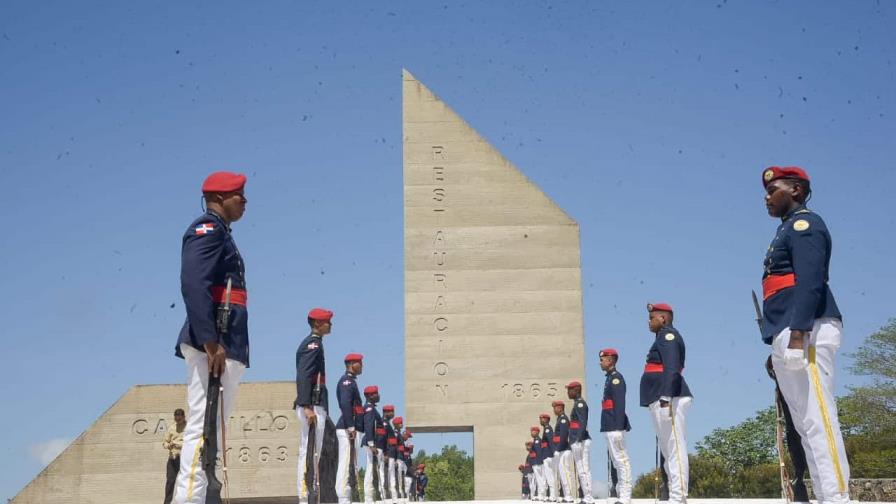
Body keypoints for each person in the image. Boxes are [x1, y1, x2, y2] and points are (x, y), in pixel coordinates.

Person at [761, 166, 849, 504]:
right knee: (805, 426)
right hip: (788, 331)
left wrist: (797, 334)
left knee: (819, 418)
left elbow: (810, 281)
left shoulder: (805, 224)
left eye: (773, 191)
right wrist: (777, 345)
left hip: (808, 329)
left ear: (796, 190)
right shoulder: (785, 230)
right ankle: (826, 496)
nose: (767, 198)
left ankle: (838, 497)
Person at [173, 171, 249, 504]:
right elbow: (193, 284)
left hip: (225, 342)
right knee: (202, 429)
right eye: (239, 195)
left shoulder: (222, 234)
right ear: (218, 198)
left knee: (212, 432)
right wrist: (209, 340)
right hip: (214, 344)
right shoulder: (206, 230)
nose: (244, 201)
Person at [640, 303, 691, 504]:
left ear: (663, 318)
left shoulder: (668, 336)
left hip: (670, 397)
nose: (649, 322)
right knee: (667, 449)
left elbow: (672, 367)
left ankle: (678, 496)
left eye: (652, 318)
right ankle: (674, 493)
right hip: (660, 397)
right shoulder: (661, 338)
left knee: (674, 446)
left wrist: (666, 396)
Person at [295, 308, 334, 503]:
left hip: (315, 402)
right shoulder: (313, 344)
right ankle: (305, 495)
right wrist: (306, 405)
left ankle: (311, 494)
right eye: (328, 321)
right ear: (318, 324)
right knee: (308, 451)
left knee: (313, 452)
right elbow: (304, 374)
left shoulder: (317, 343)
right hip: (311, 404)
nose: (331, 325)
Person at [597, 350, 632, 504]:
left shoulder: (616, 379)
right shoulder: (609, 378)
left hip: (614, 426)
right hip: (609, 425)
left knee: (621, 460)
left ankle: (625, 496)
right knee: (616, 460)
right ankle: (620, 494)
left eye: (602, 359)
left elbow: (619, 404)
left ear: (610, 360)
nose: (600, 362)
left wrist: (618, 427)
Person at [336, 353, 365, 504]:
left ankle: (346, 497)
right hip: (348, 428)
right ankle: (343, 498)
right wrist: (351, 426)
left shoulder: (351, 381)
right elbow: (345, 404)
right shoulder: (346, 381)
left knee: (351, 464)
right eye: (360, 362)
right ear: (352, 363)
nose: (362, 365)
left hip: (352, 428)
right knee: (346, 463)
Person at [566, 381, 594, 504]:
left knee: (584, 469)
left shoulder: (580, 404)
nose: (568, 392)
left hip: (580, 440)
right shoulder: (577, 404)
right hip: (577, 440)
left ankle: (588, 497)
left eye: (570, 389)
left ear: (577, 390)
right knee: (581, 469)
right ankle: (587, 496)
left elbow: (583, 422)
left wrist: (578, 439)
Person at [362, 386, 385, 503]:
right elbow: (369, 426)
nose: (378, 395)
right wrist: (371, 444)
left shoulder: (371, 408)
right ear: (370, 396)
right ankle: (368, 497)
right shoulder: (369, 409)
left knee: (371, 468)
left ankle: (369, 496)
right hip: (370, 442)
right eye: (376, 393)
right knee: (370, 469)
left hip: (372, 442)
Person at [551, 401, 574, 503]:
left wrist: (558, 448)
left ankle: (569, 496)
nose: (554, 410)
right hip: (561, 450)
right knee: (563, 473)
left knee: (566, 472)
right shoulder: (559, 419)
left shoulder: (564, 419)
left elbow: (564, 436)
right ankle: (566, 495)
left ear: (560, 408)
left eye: (555, 407)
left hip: (564, 450)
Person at [162, 408, 186, 504]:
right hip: (173, 458)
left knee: (185, 481)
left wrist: (179, 445)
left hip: (184, 458)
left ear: (184, 417)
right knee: (170, 481)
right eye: (176, 419)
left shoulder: (189, 428)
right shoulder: (172, 428)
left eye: (179, 419)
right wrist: (168, 445)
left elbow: (191, 443)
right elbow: (164, 442)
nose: (178, 421)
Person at [539, 414, 558, 502]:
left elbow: (550, 441)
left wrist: (554, 451)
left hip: (548, 455)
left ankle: (553, 496)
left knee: (550, 476)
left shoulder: (547, 429)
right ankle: (552, 495)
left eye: (542, 419)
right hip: (547, 455)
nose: (540, 420)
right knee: (549, 476)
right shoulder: (546, 428)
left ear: (546, 420)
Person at [383, 405, 398, 503]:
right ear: (387, 413)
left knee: (392, 474)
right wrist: (386, 453)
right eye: (391, 412)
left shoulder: (388, 423)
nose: (393, 414)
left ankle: (393, 496)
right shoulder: (384, 423)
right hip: (388, 452)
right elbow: (383, 439)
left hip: (392, 453)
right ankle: (388, 496)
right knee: (389, 474)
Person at [529, 426, 545, 501]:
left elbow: (539, 452)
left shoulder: (537, 440)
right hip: (536, 462)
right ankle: (540, 494)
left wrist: (539, 462)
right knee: (539, 480)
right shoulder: (535, 440)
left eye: (534, 431)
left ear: (538, 432)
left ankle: (541, 495)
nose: (532, 432)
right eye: (531, 431)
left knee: (540, 479)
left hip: (538, 462)